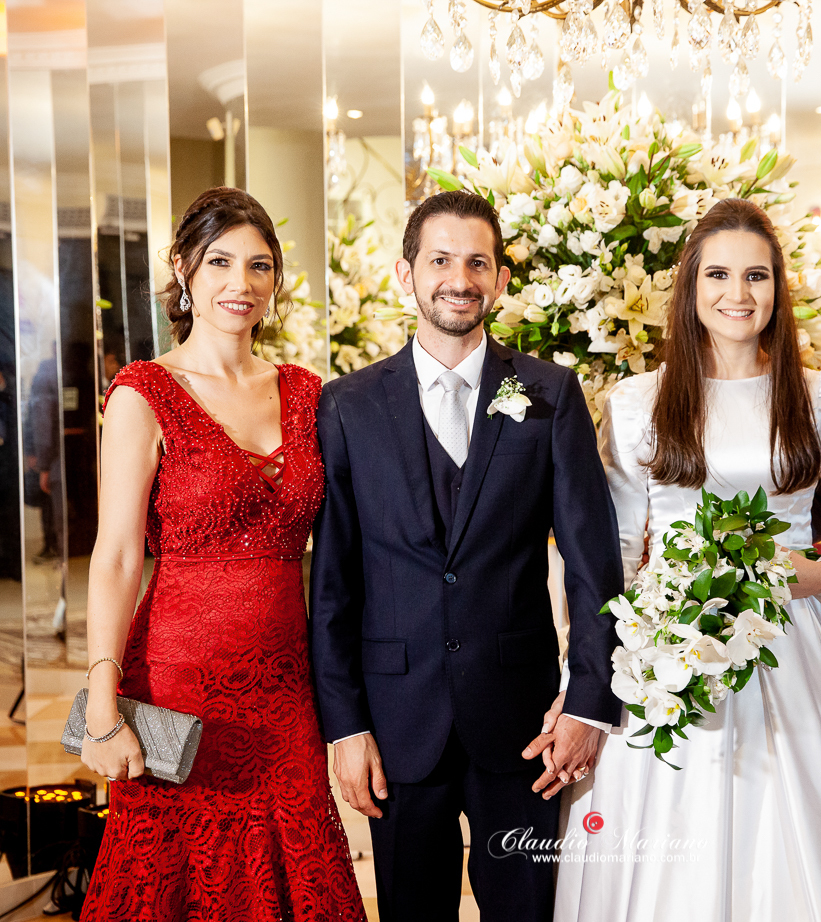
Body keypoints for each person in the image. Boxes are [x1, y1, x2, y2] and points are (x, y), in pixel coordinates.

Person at [554, 198, 821, 922]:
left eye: (756, 275)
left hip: (791, 638)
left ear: (778, 288)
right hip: (667, 643)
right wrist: (587, 667)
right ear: (690, 286)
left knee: (792, 834)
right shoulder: (638, 401)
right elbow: (615, 550)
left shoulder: (817, 394)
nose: (737, 294)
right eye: (718, 274)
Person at [309, 190, 623, 922]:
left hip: (523, 725)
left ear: (501, 279)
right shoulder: (348, 405)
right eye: (441, 260)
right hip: (396, 719)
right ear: (406, 273)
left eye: (478, 263)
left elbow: (593, 565)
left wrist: (589, 702)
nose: (460, 279)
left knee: (526, 911)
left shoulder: (550, 393)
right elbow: (333, 584)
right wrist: (345, 726)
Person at [79, 187, 366, 921]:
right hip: (178, 687)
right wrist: (103, 705)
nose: (241, 282)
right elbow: (116, 557)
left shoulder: (307, 393)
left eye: (259, 265)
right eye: (220, 262)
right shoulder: (143, 393)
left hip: (286, 693)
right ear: (183, 269)